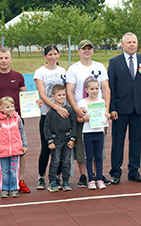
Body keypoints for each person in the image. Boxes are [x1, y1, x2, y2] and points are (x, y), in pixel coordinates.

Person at [108, 32, 141, 184]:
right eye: (128, 42)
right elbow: (111, 88)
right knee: (118, 141)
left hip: (138, 108)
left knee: (135, 141)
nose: (132, 45)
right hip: (120, 109)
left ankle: (133, 171)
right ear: (122, 44)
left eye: (134, 42)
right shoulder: (114, 62)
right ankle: (115, 172)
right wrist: (112, 108)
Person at [0, 47, 30, 197]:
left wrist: (34, 103)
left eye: (6, 58)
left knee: (19, 151)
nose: (3, 61)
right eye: (0, 58)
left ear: (11, 59)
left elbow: (25, 94)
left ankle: (19, 181)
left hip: (15, 121)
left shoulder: (18, 76)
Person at [66, 39, 111, 187]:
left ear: (92, 50)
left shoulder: (99, 67)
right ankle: (84, 175)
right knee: (81, 145)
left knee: (99, 144)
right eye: (83, 48)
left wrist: (106, 109)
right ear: (78, 51)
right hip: (82, 111)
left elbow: (106, 88)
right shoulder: (73, 68)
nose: (87, 51)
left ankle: (98, 174)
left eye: (89, 48)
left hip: (98, 113)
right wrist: (77, 110)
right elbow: (69, 92)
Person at [34, 45, 68, 190]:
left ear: (59, 54)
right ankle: (41, 177)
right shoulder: (40, 72)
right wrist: (57, 108)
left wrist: (63, 108)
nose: (53, 57)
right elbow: (42, 94)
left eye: (55, 54)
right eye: (50, 54)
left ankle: (57, 176)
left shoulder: (63, 71)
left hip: (63, 115)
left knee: (61, 147)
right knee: (46, 148)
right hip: (47, 115)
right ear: (45, 56)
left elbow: (66, 91)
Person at [0, 96, 28, 198]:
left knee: (13, 169)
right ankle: (5, 189)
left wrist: (24, 145)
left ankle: (14, 188)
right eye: (7, 107)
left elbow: (22, 132)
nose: (10, 109)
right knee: (4, 170)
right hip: (3, 150)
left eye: (12, 106)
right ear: (1, 109)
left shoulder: (17, 119)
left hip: (15, 149)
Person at [77, 78, 110, 190]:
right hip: (88, 132)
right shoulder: (82, 102)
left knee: (99, 157)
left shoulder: (101, 101)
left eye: (96, 88)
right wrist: (84, 118)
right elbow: (78, 119)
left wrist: (107, 116)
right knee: (89, 157)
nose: (94, 91)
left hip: (99, 132)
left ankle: (99, 179)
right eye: (92, 89)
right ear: (86, 89)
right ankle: (90, 180)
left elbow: (105, 116)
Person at [44, 84, 77, 192]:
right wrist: (50, 141)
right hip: (56, 140)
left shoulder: (69, 110)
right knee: (55, 161)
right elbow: (46, 128)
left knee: (66, 161)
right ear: (53, 96)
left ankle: (66, 181)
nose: (62, 97)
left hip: (67, 139)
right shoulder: (50, 112)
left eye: (63, 95)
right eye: (59, 95)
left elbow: (74, 125)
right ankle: (53, 181)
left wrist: (73, 139)